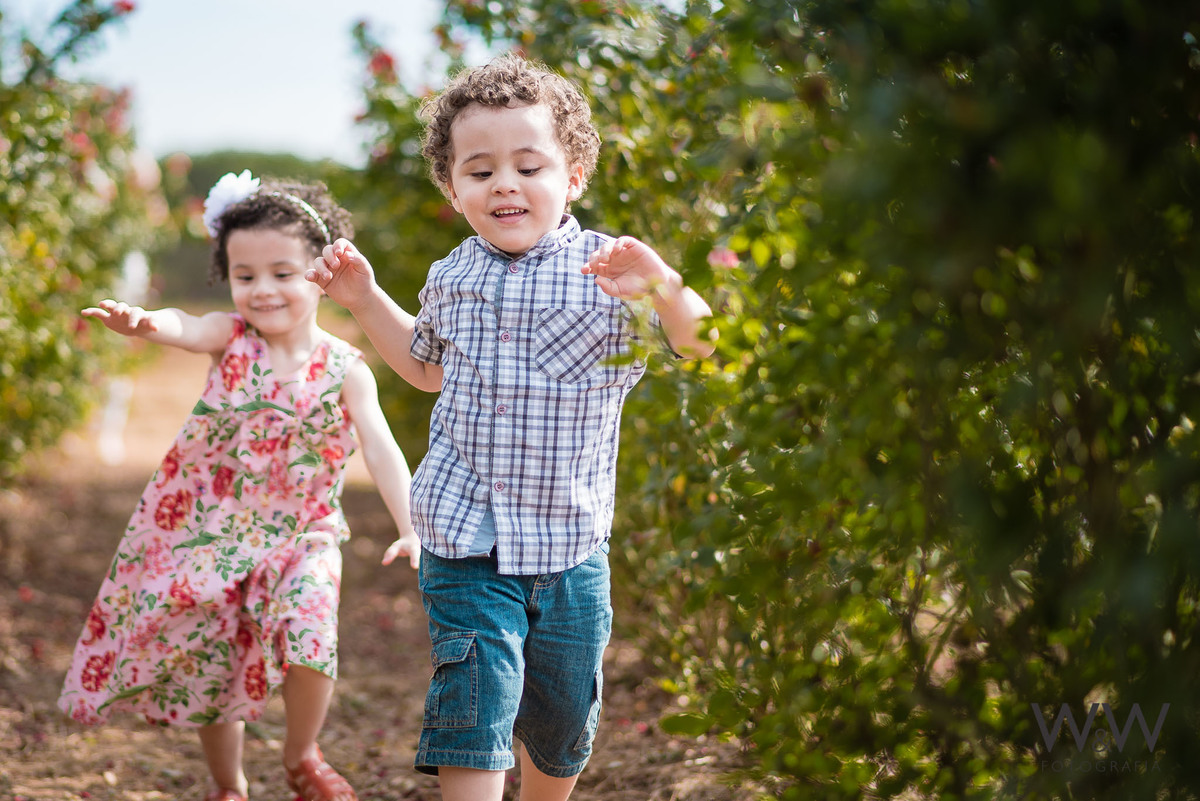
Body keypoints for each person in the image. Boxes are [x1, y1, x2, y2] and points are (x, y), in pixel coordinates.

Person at [305, 54, 717, 801]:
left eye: (529, 165)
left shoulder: (611, 270)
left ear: (575, 177)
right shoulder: (451, 274)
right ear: (451, 185)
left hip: (569, 548)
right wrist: (366, 299)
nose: (505, 184)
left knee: (561, 721)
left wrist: (663, 287)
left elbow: (702, 343)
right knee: (476, 701)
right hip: (465, 539)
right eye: (480, 169)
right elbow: (425, 367)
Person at [58, 171, 422, 801]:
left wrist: (414, 526)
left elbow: (382, 449)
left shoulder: (345, 370)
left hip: (302, 535)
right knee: (214, 666)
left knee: (312, 634)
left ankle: (302, 753)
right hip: (212, 534)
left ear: (319, 270)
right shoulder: (230, 338)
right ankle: (228, 783)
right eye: (244, 275)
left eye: (283, 273)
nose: (263, 290)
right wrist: (147, 323)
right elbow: (185, 324)